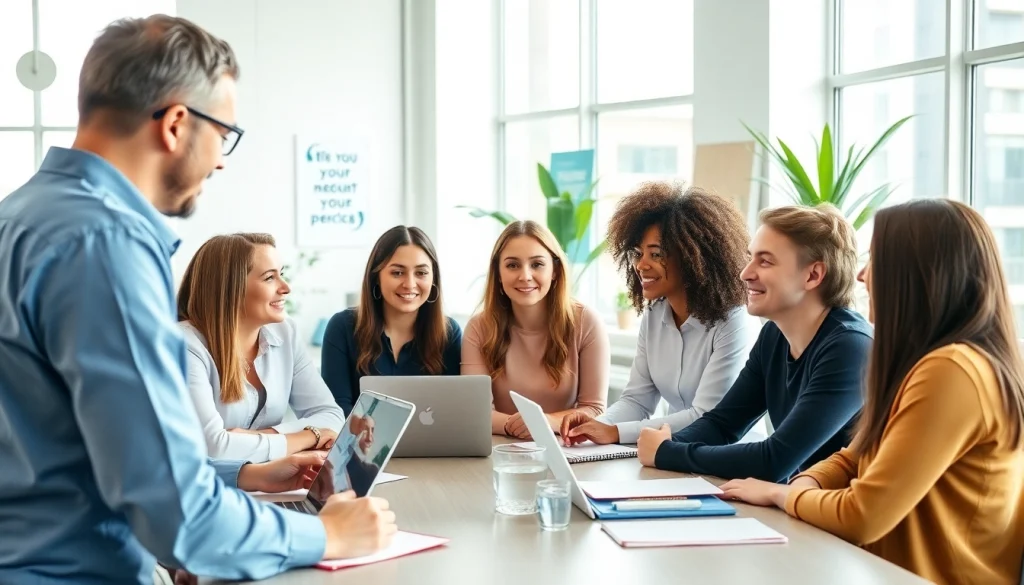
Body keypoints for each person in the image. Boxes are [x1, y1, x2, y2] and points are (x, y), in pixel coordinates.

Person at [0, 15, 394, 585]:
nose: (222, 159)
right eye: (224, 134)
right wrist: (331, 533)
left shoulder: (18, 218)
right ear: (177, 123)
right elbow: (177, 511)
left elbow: (87, 457)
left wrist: (241, 484)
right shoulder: (107, 243)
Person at [718, 200, 1024, 585]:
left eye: (876, 259)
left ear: (916, 274)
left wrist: (780, 494)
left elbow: (863, 515)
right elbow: (855, 455)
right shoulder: (926, 362)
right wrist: (807, 482)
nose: (861, 275)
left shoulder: (954, 371)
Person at [635, 204, 871, 482]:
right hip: (795, 507)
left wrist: (666, 452)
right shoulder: (774, 335)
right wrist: (664, 445)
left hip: (833, 519)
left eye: (765, 261)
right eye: (750, 258)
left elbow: (774, 460)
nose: (744, 273)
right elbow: (722, 424)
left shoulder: (850, 348)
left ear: (813, 275)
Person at [560, 183, 762, 446]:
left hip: (731, 463)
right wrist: (597, 425)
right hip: (676, 455)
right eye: (638, 253)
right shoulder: (655, 315)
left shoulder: (735, 321)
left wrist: (617, 433)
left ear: (693, 257)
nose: (641, 265)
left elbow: (706, 416)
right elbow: (636, 400)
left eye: (656, 254)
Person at [178, 232, 347, 462]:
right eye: (269, 278)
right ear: (230, 288)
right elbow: (212, 448)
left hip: (270, 482)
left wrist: (256, 437)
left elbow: (331, 415)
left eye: (282, 274)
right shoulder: (185, 346)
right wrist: (307, 438)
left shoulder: (286, 333)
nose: (286, 287)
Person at [462, 220, 610, 438]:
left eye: (537, 264)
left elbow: (595, 410)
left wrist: (545, 422)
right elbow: (476, 412)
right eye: (512, 265)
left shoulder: (586, 322)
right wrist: (515, 425)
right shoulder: (478, 328)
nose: (525, 276)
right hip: (500, 451)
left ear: (555, 271)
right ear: (498, 274)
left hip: (565, 450)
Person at [321, 226, 461, 414]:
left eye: (421, 273)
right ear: (376, 277)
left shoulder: (449, 332)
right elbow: (336, 411)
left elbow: (454, 411)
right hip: (362, 443)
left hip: (435, 443)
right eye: (397, 273)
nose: (410, 284)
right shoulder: (342, 327)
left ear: (433, 278)